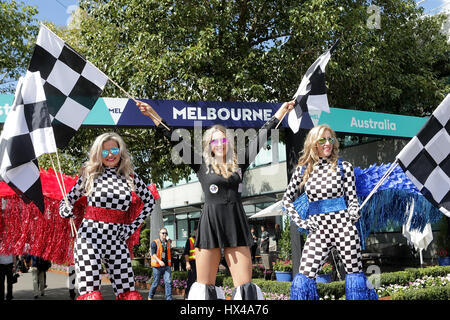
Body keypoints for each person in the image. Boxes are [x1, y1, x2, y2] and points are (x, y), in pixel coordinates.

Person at [138, 99, 294, 300]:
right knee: (204, 290)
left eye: (223, 140)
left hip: (235, 224)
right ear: (209, 146)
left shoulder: (240, 162)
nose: (220, 144)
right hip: (210, 226)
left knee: (246, 289)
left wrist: (280, 112)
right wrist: (153, 115)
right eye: (215, 141)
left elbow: (262, 135)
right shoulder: (201, 164)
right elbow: (175, 137)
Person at [282, 124, 377, 300]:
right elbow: (286, 200)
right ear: (313, 143)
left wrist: (354, 211)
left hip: (344, 227)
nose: (327, 143)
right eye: (322, 140)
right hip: (318, 230)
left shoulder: (344, 167)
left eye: (330, 139)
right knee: (304, 276)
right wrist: (302, 222)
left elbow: (352, 198)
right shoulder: (303, 170)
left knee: (355, 276)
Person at [59, 132, 156, 300]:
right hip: (89, 239)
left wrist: (131, 227)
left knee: (129, 294)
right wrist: (65, 210)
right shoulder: (89, 175)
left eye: (114, 150)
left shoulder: (130, 177)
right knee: (91, 294)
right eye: (104, 152)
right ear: (98, 154)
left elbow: (150, 202)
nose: (110, 155)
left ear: (121, 151)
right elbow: (65, 201)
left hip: (117, 241)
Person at [148, 227, 172, 300]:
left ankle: (169, 298)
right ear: (160, 234)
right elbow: (153, 254)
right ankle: (150, 296)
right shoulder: (155, 242)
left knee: (168, 282)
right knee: (156, 283)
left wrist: (169, 240)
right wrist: (159, 261)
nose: (164, 234)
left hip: (166, 266)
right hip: (157, 266)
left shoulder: (167, 243)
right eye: (163, 233)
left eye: (166, 233)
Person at [184, 227, 197, 298]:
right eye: (197, 230)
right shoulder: (190, 240)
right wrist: (187, 263)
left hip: (200, 263)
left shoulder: (202, 239)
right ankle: (187, 295)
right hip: (192, 263)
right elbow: (186, 253)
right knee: (191, 280)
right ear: (194, 231)